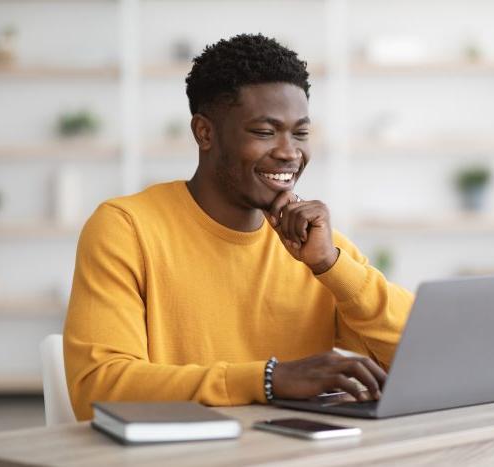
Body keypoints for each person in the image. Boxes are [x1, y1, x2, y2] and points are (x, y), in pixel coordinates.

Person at [63, 33, 413, 421]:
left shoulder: (318, 249)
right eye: (265, 132)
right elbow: (97, 388)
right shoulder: (126, 229)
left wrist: (332, 266)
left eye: (300, 132)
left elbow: (425, 356)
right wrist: (268, 379)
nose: (289, 152)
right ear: (205, 132)